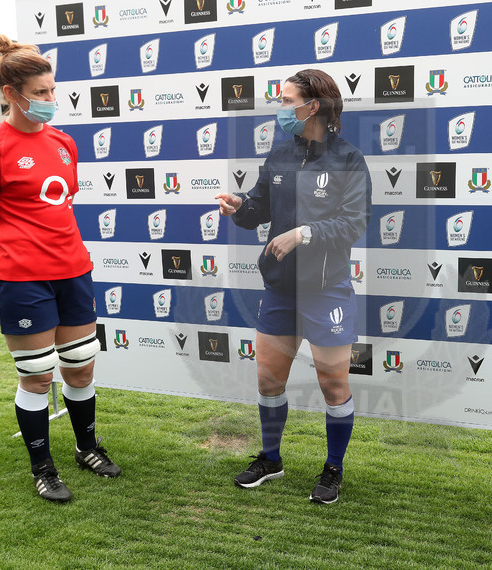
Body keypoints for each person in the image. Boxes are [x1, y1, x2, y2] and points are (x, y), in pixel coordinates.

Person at [0, 35, 120, 503]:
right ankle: (42, 467)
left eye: (53, 89)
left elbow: (59, 209)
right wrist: (9, 265)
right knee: (36, 376)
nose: (52, 99)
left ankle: (87, 448)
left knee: (81, 369)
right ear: (11, 93)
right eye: (41, 92)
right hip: (23, 281)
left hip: (74, 272)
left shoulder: (64, 143)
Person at [215, 69, 372, 504]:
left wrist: (303, 234)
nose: (280, 108)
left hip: (326, 289)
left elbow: (354, 223)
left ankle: (333, 469)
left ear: (312, 106)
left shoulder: (349, 159)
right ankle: (271, 459)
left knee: (333, 384)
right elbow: (258, 208)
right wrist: (239, 205)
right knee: (268, 379)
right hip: (281, 288)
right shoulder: (280, 153)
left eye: (286, 101)